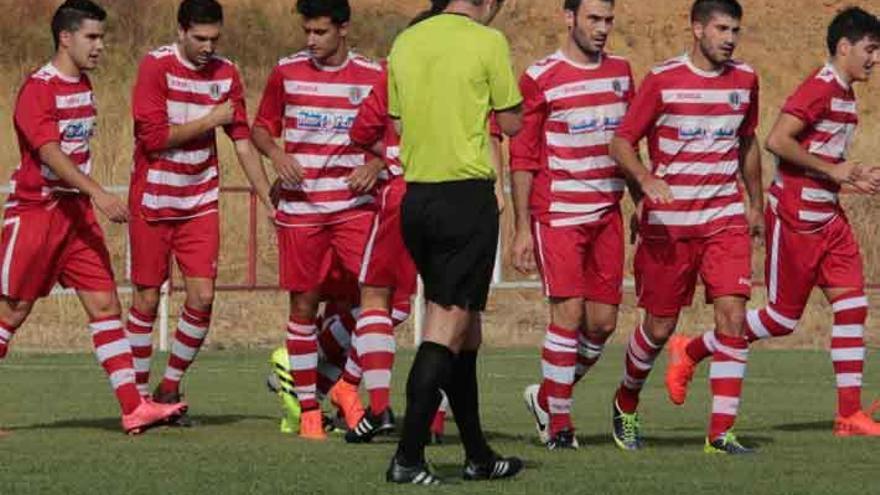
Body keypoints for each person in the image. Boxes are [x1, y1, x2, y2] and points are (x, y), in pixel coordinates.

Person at [666, 6, 880, 437]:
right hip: (796, 219)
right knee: (781, 320)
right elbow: (777, 140)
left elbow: (820, 161)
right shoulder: (819, 88)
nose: (875, 59)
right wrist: (834, 170)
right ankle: (691, 349)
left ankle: (849, 415)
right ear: (844, 47)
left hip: (828, 219)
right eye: (870, 50)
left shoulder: (845, 94)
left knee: (854, 307)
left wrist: (848, 179)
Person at [0, 0, 185, 435]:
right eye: (92, 37)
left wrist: (88, 199)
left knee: (105, 304)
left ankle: (133, 408)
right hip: (37, 212)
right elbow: (48, 152)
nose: (100, 46)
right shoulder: (38, 89)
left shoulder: (83, 85)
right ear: (66, 38)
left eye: (101, 37)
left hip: (74, 214)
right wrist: (99, 192)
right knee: (12, 311)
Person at [608, 0, 763, 454]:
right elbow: (620, 143)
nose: (730, 38)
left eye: (735, 29)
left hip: (723, 218)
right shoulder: (662, 80)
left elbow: (747, 142)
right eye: (721, 29)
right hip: (670, 226)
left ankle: (720, 433)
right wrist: (645, 179)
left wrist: (755, 204)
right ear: (697, 28)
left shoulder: (746, 79)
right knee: (658, 328)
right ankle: (626, 400)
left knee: (733, 317)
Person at [385, 0, 524, 485]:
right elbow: (511, 123)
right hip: (464, 198)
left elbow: (398, 121)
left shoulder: (406, 41)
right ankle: (407, 458)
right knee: (445, 326)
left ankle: (478, 456)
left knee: (466, 330)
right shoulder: (487, 42)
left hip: (417, 199)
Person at [125, 0, 274, 423]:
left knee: (203, 296)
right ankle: (138, 398)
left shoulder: (226, 73)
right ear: (181, 31)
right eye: (200, 38)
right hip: (153, 200)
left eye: (215, 39)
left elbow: (242, 140)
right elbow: (153, 139)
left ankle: (169, 386)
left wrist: (266, 196)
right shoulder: (155, 67)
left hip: (199, 201)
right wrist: (212, 120)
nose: (209, 47)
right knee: (147, 299)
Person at [251, 0, 385, 441]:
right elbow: (261, 129)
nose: (310, 40)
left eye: (320, 32)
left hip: (354, 208)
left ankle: (346, 388)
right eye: (306, 31)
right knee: (304, 307)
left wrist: (377, 167)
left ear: (343, 29)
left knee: (378, 303)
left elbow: (394, 136)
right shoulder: (286, 72)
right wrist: (277, 154)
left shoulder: (372, 75)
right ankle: (308, 410)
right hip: (302, 209)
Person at [509, 0, 634, 450]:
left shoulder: (621, 72)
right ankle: (559, 424)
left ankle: (546, 396)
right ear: (569, 18)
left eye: (608, 20)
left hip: (607, 214)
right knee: (568, 315)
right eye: (593, 20)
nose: (602, 29)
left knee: (601, 325)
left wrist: (641, 203)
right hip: (558, 212)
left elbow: (628, 144)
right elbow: (521, 157)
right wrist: (522, 228)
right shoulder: (540, 77)